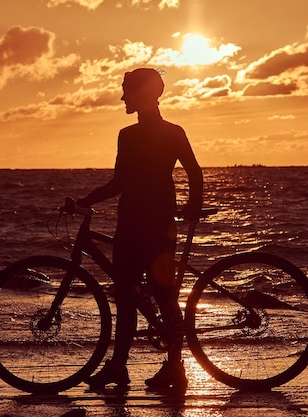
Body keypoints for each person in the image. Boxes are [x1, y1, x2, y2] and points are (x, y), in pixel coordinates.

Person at [76, 68, 203, 391]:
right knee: (160, 297)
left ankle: (128, 367)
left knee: (129, 296)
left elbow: (121, 182)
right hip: (158, 224)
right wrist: (192, 207)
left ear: (141, 95)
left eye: (126, 91)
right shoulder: (171, 131)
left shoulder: (129, 136)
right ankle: (169, 367)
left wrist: (86, 199)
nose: (122, 97)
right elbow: (195, 173)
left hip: (135, 225)